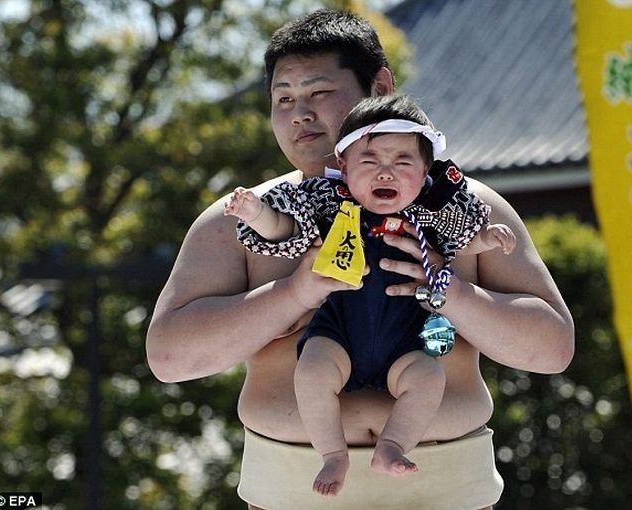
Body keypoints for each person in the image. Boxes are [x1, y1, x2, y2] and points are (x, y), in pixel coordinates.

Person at [146, 9, 574, 510]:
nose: (300, 113)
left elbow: (552, 349)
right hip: (294, 484)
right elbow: (170, 358)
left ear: (379, 86)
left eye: (318, 93)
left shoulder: (466, 209)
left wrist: (450, 291)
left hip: (443, 480)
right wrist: (292, 295)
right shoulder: (240, 219)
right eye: (283, 98)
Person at [223, 94, 517, 496]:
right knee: (310, 372)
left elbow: (460, 242)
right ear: (343, 165)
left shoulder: (433, 212)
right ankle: (332, 454)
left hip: (406, 335)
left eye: (402, 163)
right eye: (370, 162)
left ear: (426, 169)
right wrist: (255, 213)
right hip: (339, 328)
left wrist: (487, 238)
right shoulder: (325, 202)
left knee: (429, 378)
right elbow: (285, 230)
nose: (385, 174)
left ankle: (392, 445)